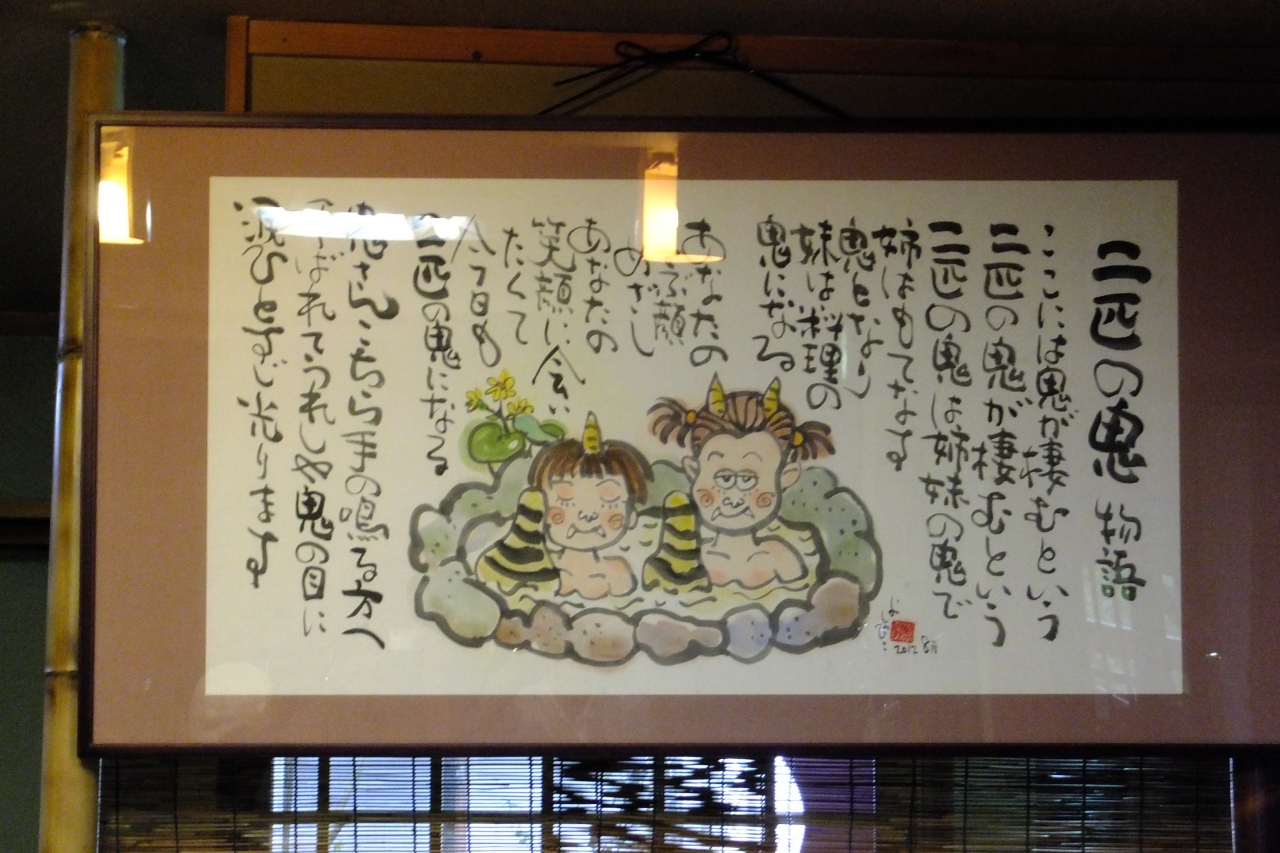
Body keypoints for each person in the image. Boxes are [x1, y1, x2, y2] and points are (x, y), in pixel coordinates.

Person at [646, 375, 833, 590]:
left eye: (747, 480)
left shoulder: (782, 561)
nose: (734, 499)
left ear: (785, 477)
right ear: (692, 471)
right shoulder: (683, 559)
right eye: (724, 478)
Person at [478, 412, 651, 600]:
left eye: (607, 501)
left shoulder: (617, 574)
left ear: (631, 517)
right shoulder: (535, 571)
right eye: (565, 500)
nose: (587, 515)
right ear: (540, 508)